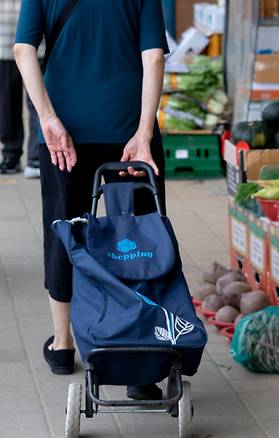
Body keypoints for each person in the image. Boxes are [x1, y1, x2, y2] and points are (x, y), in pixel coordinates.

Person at [14, 0, 169, 400]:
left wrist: (47, 119)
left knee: (64, 230)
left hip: (64, 134)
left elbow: (23, 49)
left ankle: (63, 346)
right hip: (127, 135)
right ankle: (140, 360)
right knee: (139, 238)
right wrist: (144, 132)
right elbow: (152, 57)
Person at [0, 0, 40, 177]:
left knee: (38, 99)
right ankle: (11, 154)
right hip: (3, 37)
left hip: (38, 39)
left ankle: (36, 156)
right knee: (6, 102)